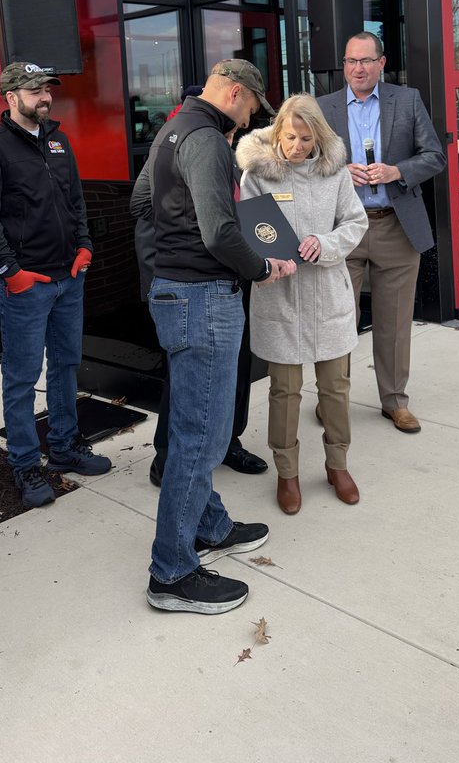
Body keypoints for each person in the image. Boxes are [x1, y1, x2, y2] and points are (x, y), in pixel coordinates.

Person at [145, 60, 296, 615]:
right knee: (200, 439)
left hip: (180, 291)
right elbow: (219, 230)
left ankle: (209, 525)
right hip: (204, 298)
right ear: (235, 93)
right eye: (252, 107)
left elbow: (145, 203)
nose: (250, 118)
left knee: (195, 427)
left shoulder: (173, 127)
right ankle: (172, 572)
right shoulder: (206, 138)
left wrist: (165, 263)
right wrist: (262, 267)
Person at [0, 62, 111, 510]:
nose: (45, 98)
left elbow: (75, 200)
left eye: (47, 90)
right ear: (11, 97)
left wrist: (84, 245)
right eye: (35, 91)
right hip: (26, 286)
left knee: (67, 365)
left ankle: (65, 447)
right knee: (21, 378)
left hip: (69, 278)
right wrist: (11, 272)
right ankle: (26, 463)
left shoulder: (58, 140)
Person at [237, 94, 367, 514]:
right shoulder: (257, 174)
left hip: (328, 294)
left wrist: (326, 244)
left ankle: (338, 464)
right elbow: (247, 231)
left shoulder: (334, 174)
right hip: (282, 296)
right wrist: (268, 261)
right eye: (290, 137)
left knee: (335, 387)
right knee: (285, 390)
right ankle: (287, 473)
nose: (297, 146)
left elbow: (355, 222)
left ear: (318, 137)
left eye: (306, 139)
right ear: (277, 132)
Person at [317, 33, 446, 433]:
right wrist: (339, 171)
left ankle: (395, 401)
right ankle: (331, 402)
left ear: (381, 62)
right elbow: (304, 163)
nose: (358, 68)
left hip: (395, 224)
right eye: (351, 61)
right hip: (343, 228)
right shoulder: (323, 108)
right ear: (344, 64)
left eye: (366, 61)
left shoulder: (406, 101)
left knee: (394, 323)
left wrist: (398, 172)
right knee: (339, 324)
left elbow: (435, 156)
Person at [131, 131, 268, 487]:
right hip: (190, 287)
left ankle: (227, 443)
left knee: (236, 369)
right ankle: (166, 457)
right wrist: (156, 284)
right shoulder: (175, 153)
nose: (229, 132)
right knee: (185, 380)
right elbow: (146, 216)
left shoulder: (228, 156)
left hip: (236, 281)